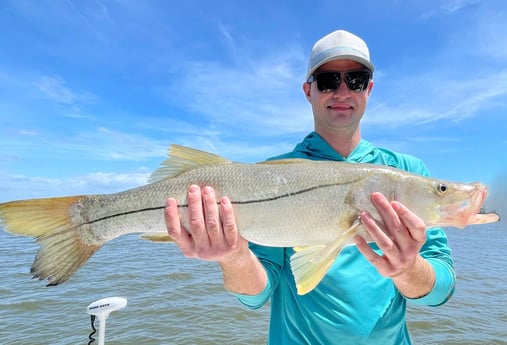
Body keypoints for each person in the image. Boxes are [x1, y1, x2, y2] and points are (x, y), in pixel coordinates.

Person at [164, 29, 455, 344]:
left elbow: (439, 291)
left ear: (369, 88)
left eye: (355, 79)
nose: (343, 91)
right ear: (308, 91)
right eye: (329, 80)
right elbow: (255, 296)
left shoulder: (408, 171)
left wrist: (407, 268)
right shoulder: (271, 176)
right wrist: (233, 257)